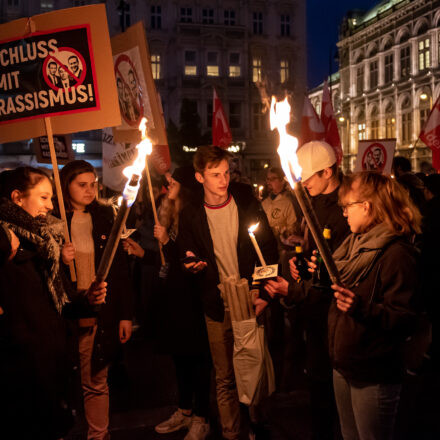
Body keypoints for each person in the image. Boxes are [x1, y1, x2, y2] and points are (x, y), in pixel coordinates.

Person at [178, 146, 278, 440]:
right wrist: (190, 264)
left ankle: (258, 426)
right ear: (200, 177)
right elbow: (185, 252)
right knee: (225, 378)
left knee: (255, 367)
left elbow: (268, 248)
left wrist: (265, 294)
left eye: (225, 173)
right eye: (214, 175)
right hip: (216, 303)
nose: (223, 180)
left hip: (251, 298)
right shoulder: (192, 214)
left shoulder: (245, 201)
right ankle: (231, 433)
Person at [0, 166, 106, 440]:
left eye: (51, 198)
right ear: (17, 198)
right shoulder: (6, 241)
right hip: (20, 371)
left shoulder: (46, 244)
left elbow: (62, 304)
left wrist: (88, 300)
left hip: (52, 364)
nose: (50, 205)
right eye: (44, 197)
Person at [320, 171, 421, 440]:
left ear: (366, 206)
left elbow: (406, 318)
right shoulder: (353, 244)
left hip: (374, 372)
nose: (344, 214)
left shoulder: (396, 253)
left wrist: (361, 307)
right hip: (344, 365)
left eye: (347, 207)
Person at [264, 140, 350, 440]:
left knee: (336, 386)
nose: (304, 183)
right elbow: (312, 248)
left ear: (328, 172)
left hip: (336, 312)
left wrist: (299, 288)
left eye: (309, 177)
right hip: (314, 310)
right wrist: (299, 263)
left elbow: (342, 267)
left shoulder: (346, 207)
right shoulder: (311, 202)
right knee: (317, 383)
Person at [124, 166, 211, 440]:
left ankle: (202, 416)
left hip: (193, 298)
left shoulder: (195, 215)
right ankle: (184, 411)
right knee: (180, 358)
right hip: (173, 297)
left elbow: (189, 258)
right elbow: (168, 264)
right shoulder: (169, 210)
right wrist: (145, 255)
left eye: (173, 180)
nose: (167, 184)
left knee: (197, 359)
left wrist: (166, 242)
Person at [59, 160, 133, 440]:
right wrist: (60, 258)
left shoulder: (104, 216)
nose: (90, 190)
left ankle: (99, 435)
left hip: (98, 310)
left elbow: (120, 270)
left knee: (96, 380)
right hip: (64, 313)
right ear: (66, 185)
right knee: (62, 379)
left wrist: (125, 314)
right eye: (82, 185)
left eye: (93, 184)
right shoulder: (53, 220)